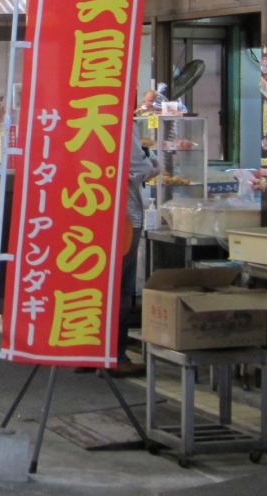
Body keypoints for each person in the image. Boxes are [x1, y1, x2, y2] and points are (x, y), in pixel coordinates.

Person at [116, 135, 160, 376]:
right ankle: (116, 356)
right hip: (123, 217)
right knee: (120, 288)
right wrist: (153, 162)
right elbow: (141, 168)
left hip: (88, 213)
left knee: (93, 282)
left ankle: (88, 353)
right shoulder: (120, 123)